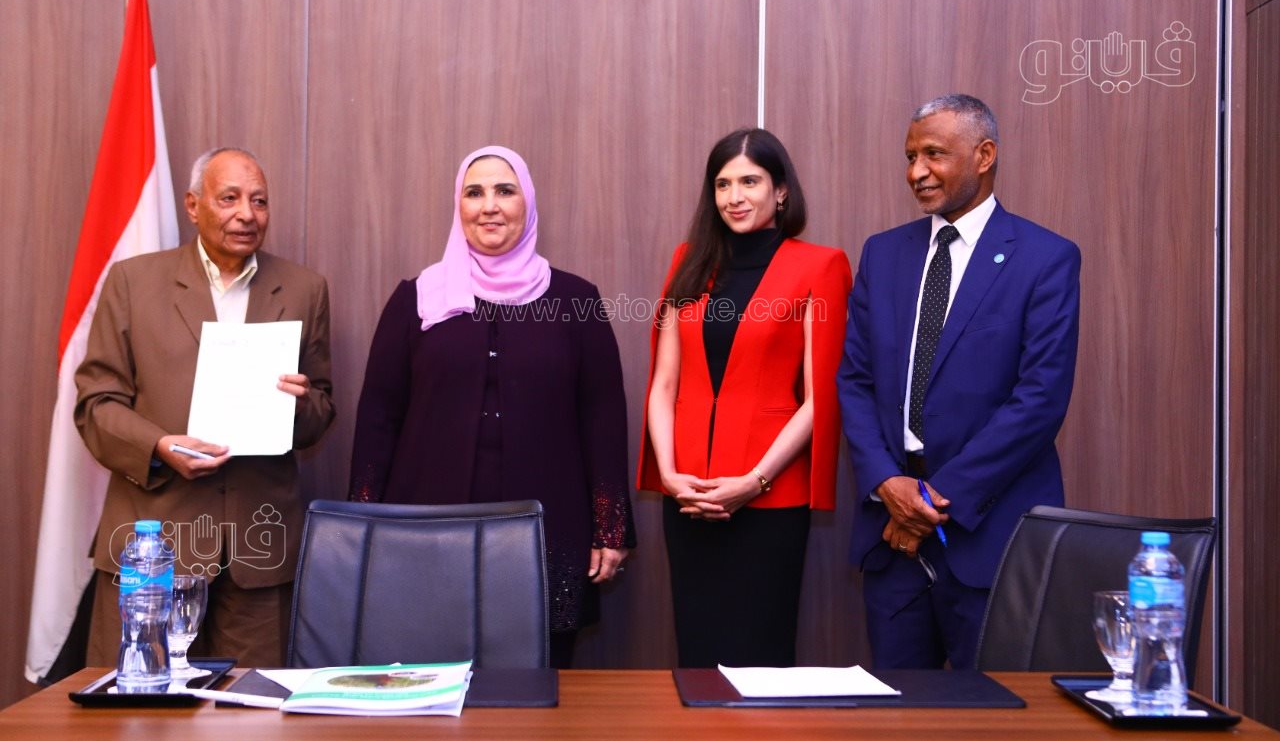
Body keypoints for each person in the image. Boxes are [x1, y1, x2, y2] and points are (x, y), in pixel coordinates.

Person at [348, 145, 634, 669]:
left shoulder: (575, 300)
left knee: (536, 680)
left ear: (528, 203)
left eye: (505, 190)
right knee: (429, 676)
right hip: (427, 529)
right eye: (474, 192)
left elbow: (603, 421)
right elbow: (378, 420)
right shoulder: (417, 298)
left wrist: (610, 528)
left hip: (547, 530)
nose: (489, 206)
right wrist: (363, 521)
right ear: (458, 206)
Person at [837, 94, 1081, 669]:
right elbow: (855, 381)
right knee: (897, 709)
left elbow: (1039, 400)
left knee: (993, 709)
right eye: (910, 157)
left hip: (989, 535)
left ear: (984, 155)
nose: (916, 172)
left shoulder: (1046, 258)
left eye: (934, 154)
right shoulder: (882, 254)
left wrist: (930, 501)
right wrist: (887, 484)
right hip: (891, 536)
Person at [77, 147, 335, 667]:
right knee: (143, 701)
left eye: (259, 201)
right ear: (193, 206)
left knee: (253, 704)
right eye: (229, 198)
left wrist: (300, 403)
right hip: (157, 539)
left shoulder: (304, 289)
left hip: (258, 545)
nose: (247, 214)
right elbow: (97, 403)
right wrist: (158, 446)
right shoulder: (132, 282)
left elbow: (321, 410)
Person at [638, 128, 852, 668]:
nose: (734, 197)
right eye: (722, 184)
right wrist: (669, 473)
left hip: (769, 498)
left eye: (750, 182)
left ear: (781, 191)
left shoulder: (821, 265)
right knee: (697, 653)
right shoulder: (688, 259)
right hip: (688, 494)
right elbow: (664, 383)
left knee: (760, 656)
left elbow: (820, 397)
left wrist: (754, 481)